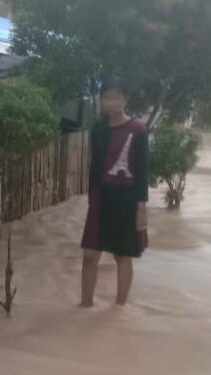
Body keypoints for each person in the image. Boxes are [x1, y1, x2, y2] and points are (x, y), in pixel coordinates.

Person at [80, 78, 149, 308]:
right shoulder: (98, 130)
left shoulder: (138, 130)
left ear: (125, 100)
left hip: (126, 200)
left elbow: (142, 171)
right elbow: (94, 166)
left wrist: (141, 208)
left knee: (122, 256)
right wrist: (91, 199)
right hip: (101, 199)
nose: (109, 102)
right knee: (89, 255)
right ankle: (85, 306)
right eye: (106, 98)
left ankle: (118, 309)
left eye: (115, 97)